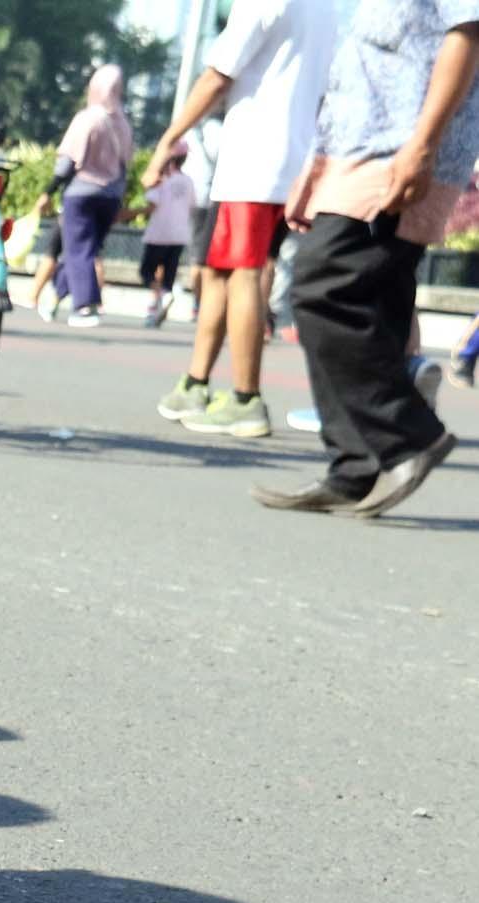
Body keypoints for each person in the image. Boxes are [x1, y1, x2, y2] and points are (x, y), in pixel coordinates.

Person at [252, 0, 476, 519]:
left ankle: (407, 436)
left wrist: (423, 147)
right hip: (357, 151)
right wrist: (316, 170)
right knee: (377, 299)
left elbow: (466, 35)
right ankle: (356, 467)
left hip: (399, 154)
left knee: (325, 285)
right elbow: (359, 76)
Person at [143, 0, 343, 439]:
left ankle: (245, 398)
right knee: (221, 271)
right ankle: (195, 383)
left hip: (254, 158)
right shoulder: (328, 7)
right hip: (291, 157)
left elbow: (218, 75)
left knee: (242, 273)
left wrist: (168, 140)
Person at [51, 64, 135, 328]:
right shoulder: (123, 124)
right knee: (87, 249)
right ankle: (56, 295)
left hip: (81, 193)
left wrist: (49, 190)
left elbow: (67, 162)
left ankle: (84, 306)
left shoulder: (87, 118)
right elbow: (125, 165)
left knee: (78, 249)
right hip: (111, 196)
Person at [139, 143, 198, 327]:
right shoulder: (188, 181)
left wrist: (129, 213)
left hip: (159, 233)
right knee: (167, 275)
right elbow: (192, 205)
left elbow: (152, 204)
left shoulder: (162, 180)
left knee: (147, 272)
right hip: (179, 235)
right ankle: (156, 308)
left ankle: (162, 297)